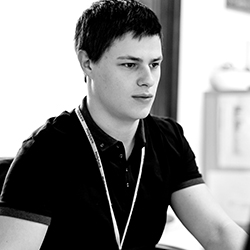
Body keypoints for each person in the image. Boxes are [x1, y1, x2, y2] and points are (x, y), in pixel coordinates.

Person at [0, 0, 248, 249]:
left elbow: (218, 231)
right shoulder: (45, 152)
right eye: (130, 65)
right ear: (87, 63)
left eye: (154, 64)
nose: (148, 80)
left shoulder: (168, 138)